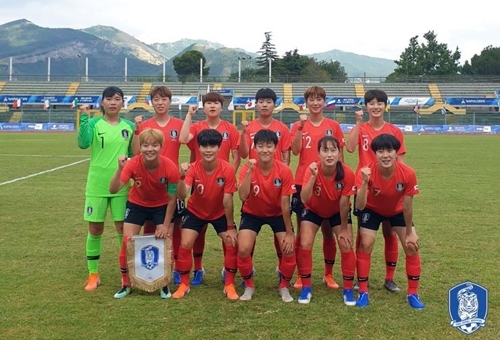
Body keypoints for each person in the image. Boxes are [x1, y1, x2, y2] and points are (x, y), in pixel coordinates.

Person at [346, 89, 406, 293]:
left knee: (390, 233)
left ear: (385, 105)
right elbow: (350, 148)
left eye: (380, 103)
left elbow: (402, 162)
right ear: (366, 106)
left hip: (389, 189)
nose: (376, 106)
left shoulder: (394, 131)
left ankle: (390, 279)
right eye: (371, 103)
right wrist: (356, 123)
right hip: (364, 186)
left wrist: (400, 186)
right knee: (364, 235)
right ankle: (360, 277)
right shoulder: (362, 129)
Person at [354, 134, 423, 309]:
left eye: (390, 150)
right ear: (375, 153)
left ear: (396, 152)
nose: (385, 155)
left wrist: (409, 233)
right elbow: (360, 206)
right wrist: (364, 183)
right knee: (366, 243)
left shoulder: (408, 173)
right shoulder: (366, 171)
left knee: (412, 246)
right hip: (372, 209)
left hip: (397, 210)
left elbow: (407, 207)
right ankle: (363, 291)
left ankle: (413, 294)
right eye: (381, 151)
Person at [109, 128, 179, 299]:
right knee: (127, 242)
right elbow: (113, 189)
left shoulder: (170, 167)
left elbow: (172, 199)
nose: (150, 149)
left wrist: (165, 224)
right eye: (146, 145)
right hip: (136, 204)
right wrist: (119, 169)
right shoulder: (133, 164)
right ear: (140, 147)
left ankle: (164, 284)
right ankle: (126, 284)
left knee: (165, 241)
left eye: (154, 145)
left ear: (161, 146)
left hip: (161, 206)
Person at [179, 92, 240, 286]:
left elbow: (237, 154)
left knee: (228, 234)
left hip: (222, 181)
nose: (212, 106)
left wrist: (231, 174)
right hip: (198, 181)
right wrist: (189, 114)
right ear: (203, 107)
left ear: (221, 107)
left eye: (216, 103)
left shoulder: (229, 128)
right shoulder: (197, 127)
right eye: (208, 103)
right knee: (198, 231)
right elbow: (182, 139)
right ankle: (198, 269)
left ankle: (227, 271)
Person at [77, 86, 135, 291]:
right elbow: (83, 143)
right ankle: (93, 275)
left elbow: (133, 156)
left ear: (122, 103)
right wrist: (84, 116)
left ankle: (125, 275)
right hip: (97, 185)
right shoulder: (94, 123)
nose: (112, 102)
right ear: (102, 103)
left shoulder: (128, 126)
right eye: (108, 99)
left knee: (123, 229)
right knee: (95, 229)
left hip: (121, 186)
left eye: (117, 99)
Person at [290, 86, 346, 290]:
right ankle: (300, 274)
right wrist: (299, 128)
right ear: (306, 103)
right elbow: (295, 151)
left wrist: (342, 179)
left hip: (330, 182)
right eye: (311, 99)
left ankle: (328, 274)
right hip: (303, 182)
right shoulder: (298, 125)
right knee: (303, 232)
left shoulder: (333, 125)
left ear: (324, 102)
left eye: (319, 99)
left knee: (329, 231)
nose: (315, 103)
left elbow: (340, 156)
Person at [172, 129, 239, 300]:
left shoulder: (228, 170)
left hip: (219, 213)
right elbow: (182, 195)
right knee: (185, 243)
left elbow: (227, 201)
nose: (208, 150)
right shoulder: (193, 168)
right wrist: (181, 176)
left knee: (231, 242)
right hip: (195, 212)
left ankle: (229, 284)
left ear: (218, 147)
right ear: (198, 148)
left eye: (212, 146)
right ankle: (184, 284)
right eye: (204, 146)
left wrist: (230, 227)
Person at [132, 85, 185, 285]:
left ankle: (178, 266)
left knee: (176, 226)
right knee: (149, 226)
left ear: (169, 102)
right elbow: (137, 152)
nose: (160, 102)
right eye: (156, 99)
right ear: (151, 102)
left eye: (164, 99)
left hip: (171, 184)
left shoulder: (180, 124)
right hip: (149, 186)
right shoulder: (144, 125)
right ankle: (149, 268)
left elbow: (193, 143)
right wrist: (137, 129)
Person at [237, 129, 296, 302]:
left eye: (269, 146)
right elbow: (242, 196)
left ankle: (284, 286)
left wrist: (289, 233)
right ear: (254, 148)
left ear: (275, 148)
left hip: (277, 213)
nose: (265, 150)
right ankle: (248, 285)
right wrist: (249, 172)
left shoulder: (284, 170)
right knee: (243, 248)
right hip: (252, 213)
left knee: (289, 248)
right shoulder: (246, 168)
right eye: (260, 146)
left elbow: (285, 204)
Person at [238, 87, 291, 278]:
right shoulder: (250, 127)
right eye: (261, 101)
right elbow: (244, 154)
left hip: (276, 183)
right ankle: (247, 270)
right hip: (254, 181)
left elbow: (286, 155)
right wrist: (243, 134)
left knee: (282, 236)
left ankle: (281, 268)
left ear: (274, 105)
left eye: (269, 101)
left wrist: (282, 174)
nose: (265, 104)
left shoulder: (282, 128)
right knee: (246, 239)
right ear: (256, 104)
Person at [297, 136, 357, 305]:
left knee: (346, 244)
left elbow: (345, 203)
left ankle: (347, 290)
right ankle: (306, 288)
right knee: (305, 243)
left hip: (337, 212)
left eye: (333, 150)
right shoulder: (312, 169)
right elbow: (304, 198)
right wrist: (312, 178)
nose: (329, 155)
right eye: (325, 150)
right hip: (313, 210)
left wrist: (344, 228)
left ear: (339, 153)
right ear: (318, 153)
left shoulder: (347, 173)